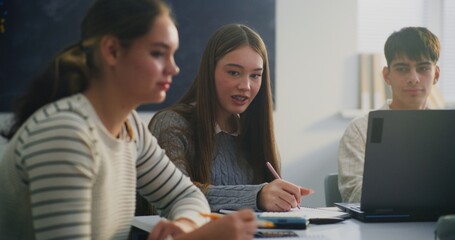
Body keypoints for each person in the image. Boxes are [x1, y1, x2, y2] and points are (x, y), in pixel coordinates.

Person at [0, 0, 257, 239]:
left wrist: (185, 225)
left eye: (173, 54)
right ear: (112, 51)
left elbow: (186, 194)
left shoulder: (129, 126)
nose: (174, 68)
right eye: (158, 53)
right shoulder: (66, 133)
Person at [148, 23, 313, 212]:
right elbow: (171, 196)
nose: (246, 86)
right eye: (234, 72)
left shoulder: (254, 132)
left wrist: (280, 199)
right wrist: (257, 196)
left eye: (255, 75)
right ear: (210, 72)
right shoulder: (171, 124)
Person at [338, 26, 441, 203]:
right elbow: (353, 194)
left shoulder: (447, 129)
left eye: (423, 68)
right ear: (387, 75)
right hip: (381, 226)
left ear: (436, 75)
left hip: (439, 224)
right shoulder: (360, 130)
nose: (414, 78)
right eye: (402, 69)